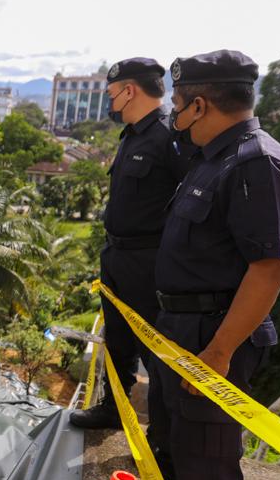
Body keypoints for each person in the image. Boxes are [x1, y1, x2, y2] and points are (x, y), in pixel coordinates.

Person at [135, 50, 280, 480]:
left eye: (179, 105)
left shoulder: (257, 164)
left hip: (212, 334)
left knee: (207, 451)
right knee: (176, 435)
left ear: (199, 103)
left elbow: (270, 267)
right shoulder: (214, 157)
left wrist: (220, 350)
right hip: (179, 326)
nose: (175, 115)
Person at [70, 57, 190, 432]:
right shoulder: (133, 135)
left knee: (152, 348)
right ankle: (113, 409)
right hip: (117, 255)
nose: (110, 102)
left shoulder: (171, 137)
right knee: (118, 339)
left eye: (112, 94)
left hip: (148, 262)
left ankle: (163, 432)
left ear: (129, 91)